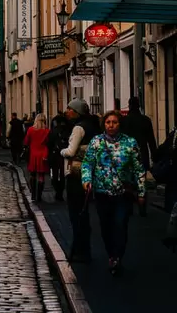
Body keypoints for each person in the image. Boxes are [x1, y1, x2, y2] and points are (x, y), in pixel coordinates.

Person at [82, 110, 145, 275]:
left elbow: (139, 169)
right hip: (102, 192)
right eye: (108, 122)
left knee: (120, 224)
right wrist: (86, 179)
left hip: (123, 192)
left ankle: (117, 257)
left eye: (114, 122)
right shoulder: (96, 142)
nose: (111, 125)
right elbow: (87, 163)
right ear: (104, 124)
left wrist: (141, 192)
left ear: (119, 124)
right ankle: (111, 253)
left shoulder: (130, 143)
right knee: (105, 226)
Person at [60, 98, 99, 263]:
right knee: (84, 212)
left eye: (69, 109)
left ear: (76, 111)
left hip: (76, 174)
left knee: (75, 213)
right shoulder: (93, 126)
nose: (67, 111)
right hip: (89, 173)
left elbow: (71, 151)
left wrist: (61, 151)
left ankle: (79, 249)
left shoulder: (78, 128)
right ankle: (85, 249)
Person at [122, 97, 157, 173]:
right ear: (139, 106)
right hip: (142, 153)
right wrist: (155, 157)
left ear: (129, 106)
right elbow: (151, 141)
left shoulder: (124, 120)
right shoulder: (145, 120)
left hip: (127, 154)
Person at [24, 114, 50, 202]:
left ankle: (33, 195)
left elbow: (26, 141)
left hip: (33, 154)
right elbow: (48, 143)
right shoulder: (47, 131)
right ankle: (39, 195)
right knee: (41, 175)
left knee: (32, 174)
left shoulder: (31, 130)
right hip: (43, 154)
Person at [48, 111, 70, 202]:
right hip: (64, 155)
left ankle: (58, 191)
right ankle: (60, 191)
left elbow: (49, 143)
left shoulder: (53, 131)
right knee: (63, 175)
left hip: (55, 155)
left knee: (55, 174)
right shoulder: (67, 130)